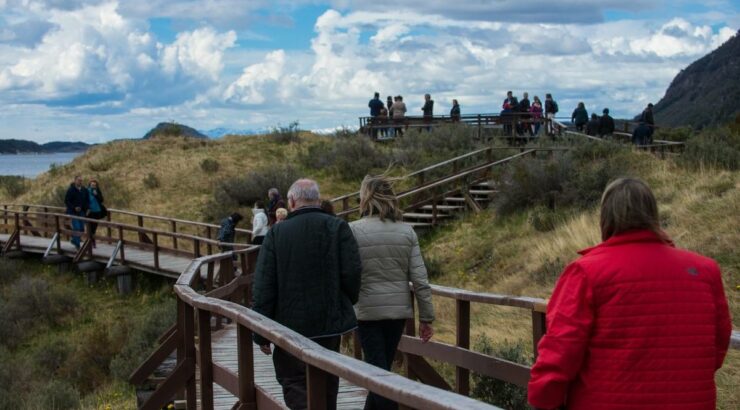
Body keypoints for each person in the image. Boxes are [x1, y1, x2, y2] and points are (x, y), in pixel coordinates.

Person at [528, 178, 731, 410]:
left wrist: (543, 399)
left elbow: (561, 351)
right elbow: (717, 345)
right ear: (652, 214)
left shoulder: (586, 272)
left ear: (605, 218)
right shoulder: (706, 272)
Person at [253, 179, 362, 410]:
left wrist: (260, 333)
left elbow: (264, 285)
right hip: (328, 323)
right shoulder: (337, 227)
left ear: (291, 202)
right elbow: (352, 273)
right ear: (318, 200)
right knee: (328, 378)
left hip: (287, 325)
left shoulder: (277, 233)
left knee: (294, 382)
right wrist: (343, 302)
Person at [350, 174, 435, 410]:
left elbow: (347, 274)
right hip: (397, 313)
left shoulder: (353, 230)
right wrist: (426, 318)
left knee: (378, 375)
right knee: (381, 372)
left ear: (365, 198)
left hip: (366, 312)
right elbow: (420, 279)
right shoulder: (406, 232)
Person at [64, 175, 89, 250]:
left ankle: (74, 240)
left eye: (81, 180)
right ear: (75, 181)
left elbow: (87, 200)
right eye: (78, 180)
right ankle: (77, 245)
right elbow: (66, 201)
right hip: (73, 212)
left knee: (82, 229)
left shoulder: (84, 190)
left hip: (82, 211)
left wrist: (87, 208)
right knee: (77, 227)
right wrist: (74, 207)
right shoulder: (71, 190)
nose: (80, 182)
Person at [86, 179, 107, 248]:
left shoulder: (97, 191)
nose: (93, 186)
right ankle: (91, 242)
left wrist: (96, 195)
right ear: (89, 185)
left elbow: (101, 200)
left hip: (97, 211)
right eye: (92, 185)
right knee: (90, 227)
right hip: (90, 212)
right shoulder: (86, 191)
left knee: (94, 228)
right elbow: (84, 200)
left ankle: (92, 241)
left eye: (95, 185)